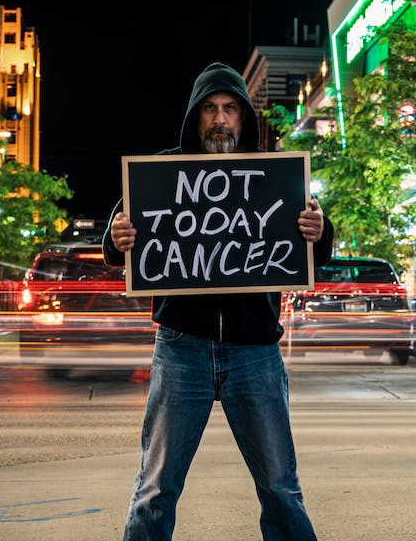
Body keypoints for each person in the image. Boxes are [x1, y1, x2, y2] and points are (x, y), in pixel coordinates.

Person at [103, 61, 334, 541]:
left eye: (230, 108)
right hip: (181, 347)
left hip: (255, 352)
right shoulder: (164, 171)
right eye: (210, 109)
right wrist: (116, 235)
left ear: (243, 117)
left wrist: (321, 230)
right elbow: (119, 232)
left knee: (279, 487)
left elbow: (313, 238)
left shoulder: (275, 173)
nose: (220, 119)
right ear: (195, 115)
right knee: (156, 488)